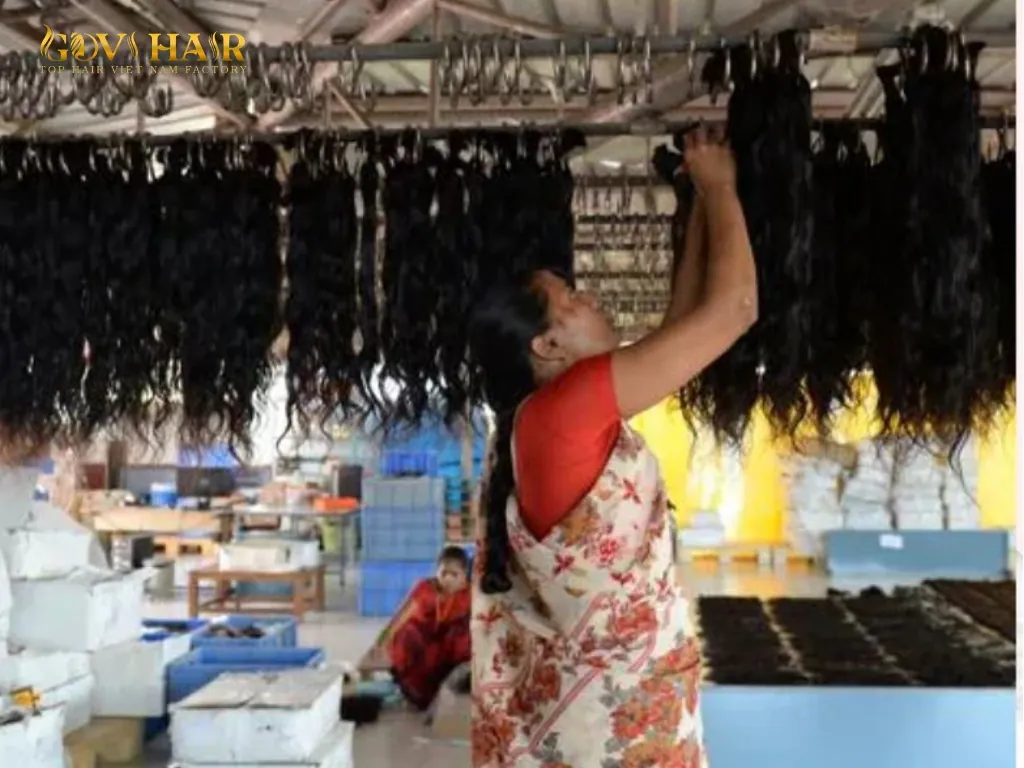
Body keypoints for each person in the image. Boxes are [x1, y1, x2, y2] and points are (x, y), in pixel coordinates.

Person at [467, 127, 756, 767]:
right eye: (570, 300)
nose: (589, 298)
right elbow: (735, 310)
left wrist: (699, 209)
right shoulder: (564, 410)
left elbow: (681, 334)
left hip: (608, 721)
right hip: (614, 732)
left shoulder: (549, 417)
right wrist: (720, 184)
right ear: (546, 347)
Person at [360, 545, 473, 711]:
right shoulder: (424, 588)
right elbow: (401, 616)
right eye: (443, 573)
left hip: (450, 650)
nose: (447, 579)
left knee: (462, 636)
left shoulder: (472, 593)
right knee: (406, 633)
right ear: (436, 572)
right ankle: (402, 689)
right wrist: (381, 641)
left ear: (464, 577)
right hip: (424, 642)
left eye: (454, 575)